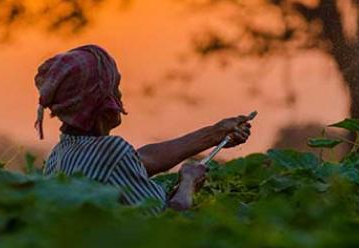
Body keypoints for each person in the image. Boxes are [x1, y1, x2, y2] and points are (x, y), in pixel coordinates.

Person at [34, 45, 252, 213]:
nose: (119, 95)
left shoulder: (59, 155)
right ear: (100, 102)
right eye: (115, 87)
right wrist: (188, 183)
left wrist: (215, 133)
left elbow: (141, 160)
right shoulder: (111, 151)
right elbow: (168, 222)